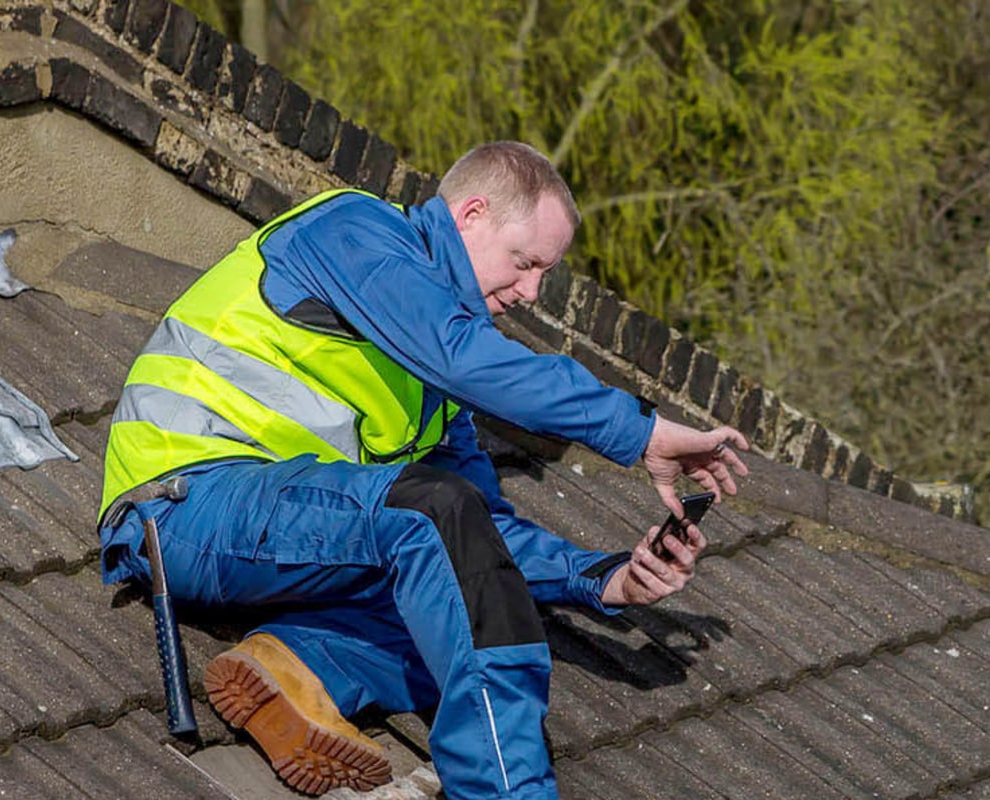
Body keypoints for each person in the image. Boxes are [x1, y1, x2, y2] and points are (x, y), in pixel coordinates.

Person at [97, 141, 749, 799]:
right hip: (180, 506)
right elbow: (464, 364)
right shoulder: (353, 231)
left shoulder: (431, 386)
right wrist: (640, 431)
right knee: (435, 522)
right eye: (525, 264)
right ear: (469, 214)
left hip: (276, 532)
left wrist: (602, 580)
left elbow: (480, 535)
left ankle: (302, 665)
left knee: (473, 605)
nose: (531, 293)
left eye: (545, 275)